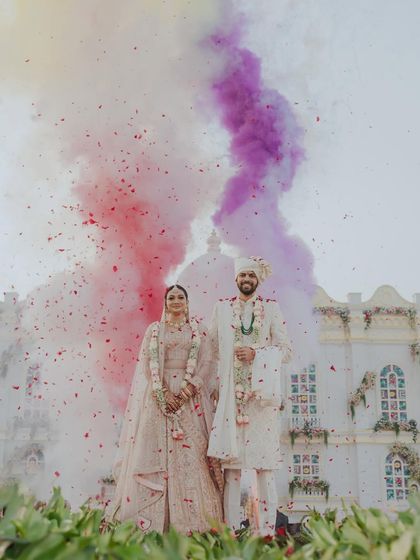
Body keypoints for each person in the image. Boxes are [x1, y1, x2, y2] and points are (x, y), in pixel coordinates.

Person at [110, 285, 223, 533]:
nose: (176, 301)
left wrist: (186, 391)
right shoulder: (154, 330)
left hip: (191, 399)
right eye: (171, 297)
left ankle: (195, 524)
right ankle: (151, 524)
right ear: (165, 302)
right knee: (155, 454)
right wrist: (161, 392)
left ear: (187, 302)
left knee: (193, 453)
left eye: (180, 297)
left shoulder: (199, 331)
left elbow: (207, 363)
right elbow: (147, 365)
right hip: (159, 396)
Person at [208, 256, 291, 536]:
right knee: (231, 469)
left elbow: (286, 350)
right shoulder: (221, 310)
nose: (247, 280)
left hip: (260, 401)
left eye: (251, 276)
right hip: (232, 400)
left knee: (264, 468)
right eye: (243, 275)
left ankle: (266, 532)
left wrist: (258, 355)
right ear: (236, 279)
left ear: (258, 280)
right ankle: (230, 532)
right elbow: (210, 350)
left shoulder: (271, 310)